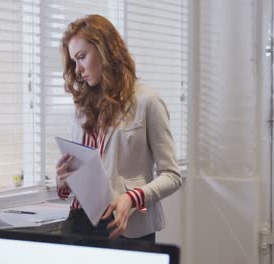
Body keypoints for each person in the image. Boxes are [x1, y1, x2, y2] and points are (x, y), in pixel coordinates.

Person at [56, 14, 182, 242]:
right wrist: (64, 182)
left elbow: (172, 176)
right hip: (79, 224)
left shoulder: (148, 101)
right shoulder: (81, 108)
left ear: (104, 49)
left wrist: (133, 198)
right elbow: (84, 172)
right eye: (74, 61)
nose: (77, 69)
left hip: (127, 227)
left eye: (82, 57)